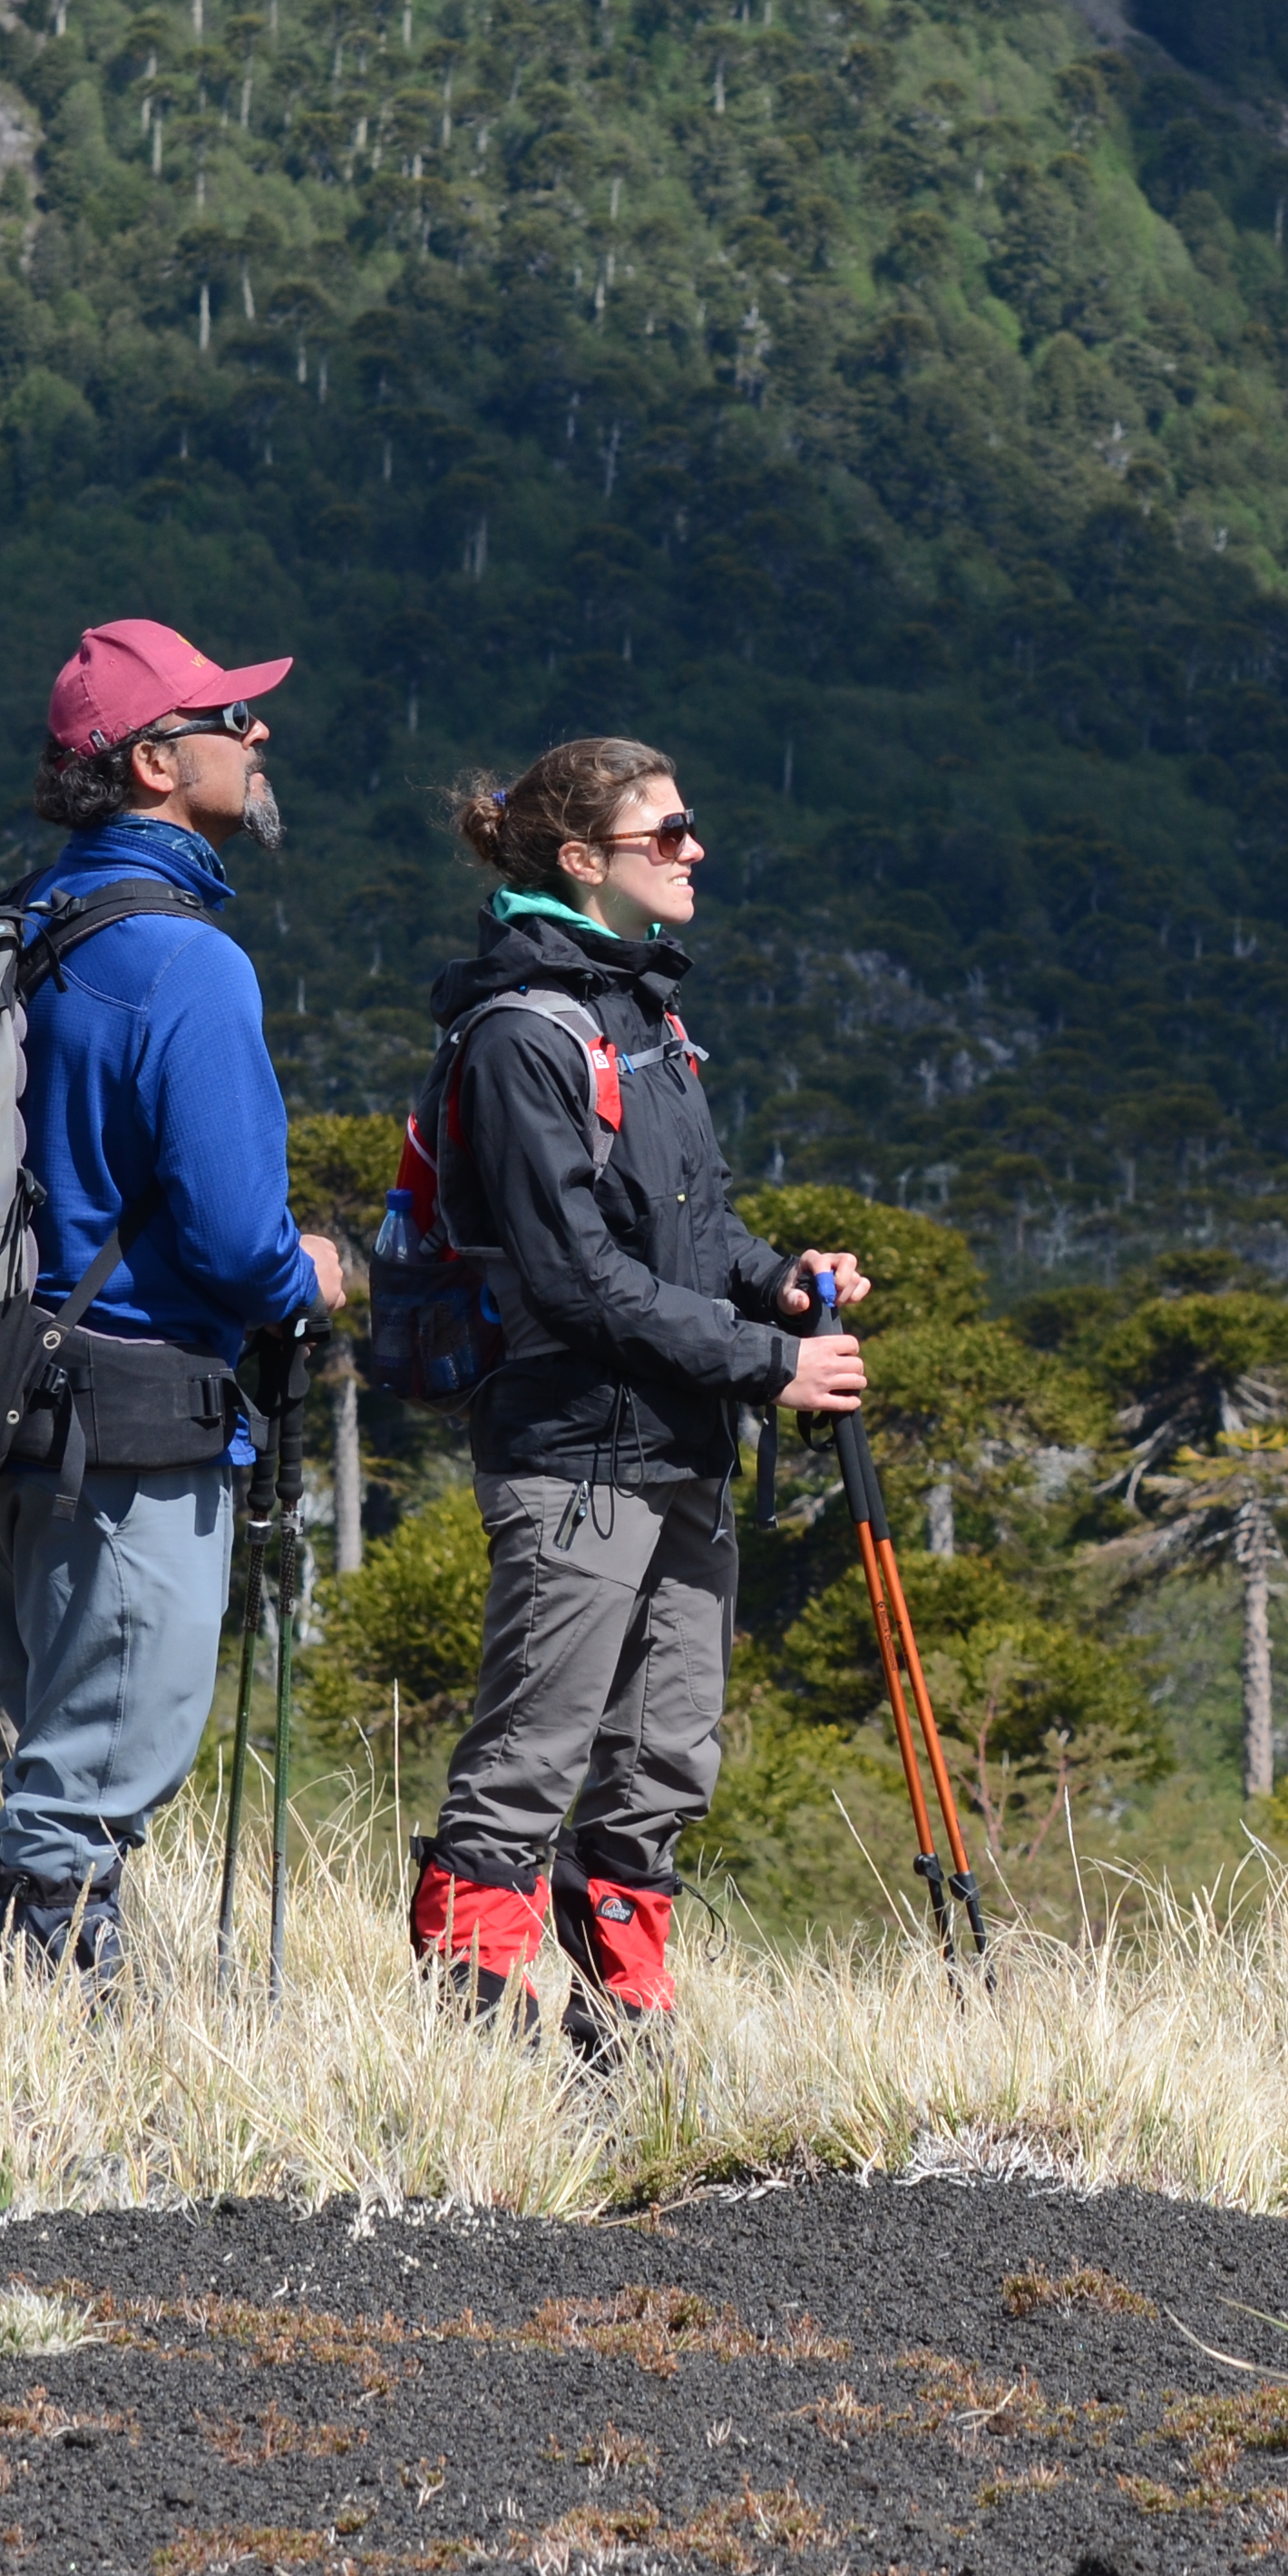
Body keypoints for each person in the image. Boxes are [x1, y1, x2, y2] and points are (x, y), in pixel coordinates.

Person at [406, 739, 869, 2047]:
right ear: (580, 861)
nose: (693, 851)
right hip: (571, 1450)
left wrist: (781, 1283)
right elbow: (574, 1283)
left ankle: (628, 2025)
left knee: (667, 1758)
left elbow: (695, 1231)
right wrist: (774, 1366)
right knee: (534, 1755)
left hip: (676, 1441)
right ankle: (474, 2044)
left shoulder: (645, 1015)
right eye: (665, 833)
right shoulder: (518, 1038)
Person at [0, 621, 348, 1970]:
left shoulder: (23, 923)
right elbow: (242, 1244)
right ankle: (53, 2072)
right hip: (132, 1419)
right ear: (151, 762)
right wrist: (319, 1274)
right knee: (97, 1771)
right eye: (227, 718)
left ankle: (4, 2044)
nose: (257, 735)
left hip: (0, 1401)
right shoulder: (186, 963)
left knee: (48, 1741)